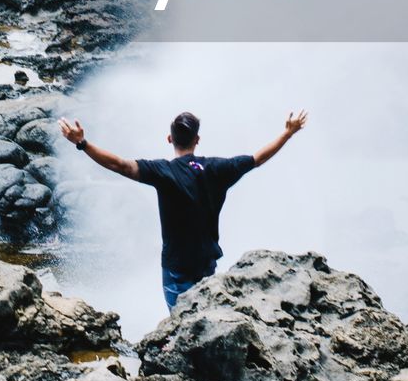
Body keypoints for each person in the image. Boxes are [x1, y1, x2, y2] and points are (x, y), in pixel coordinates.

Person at [58, 108, 308, 310]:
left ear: (169, 139)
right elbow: (258, 159)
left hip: (176, 266)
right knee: (206, 319)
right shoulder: (217, 169)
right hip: (206, 264)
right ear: (197, 140)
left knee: (180, 327)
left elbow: (120, 165)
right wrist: (287, 133)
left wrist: (82, 143)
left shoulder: (163, 172)